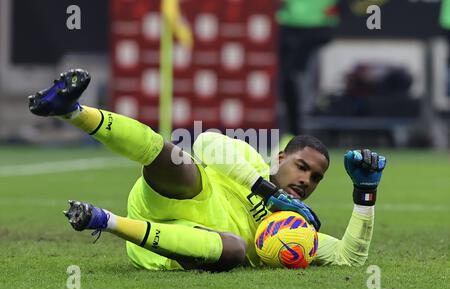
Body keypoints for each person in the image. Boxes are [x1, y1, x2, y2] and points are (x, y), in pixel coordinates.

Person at [28, 69, 386, 272]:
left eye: (316, 178)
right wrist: (267, 191)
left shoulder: (295, 228)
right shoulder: (251, 162)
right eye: (302, 167)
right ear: (279, 159)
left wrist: (365, 194)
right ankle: (71, 111)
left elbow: (348, 258)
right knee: (179, 160)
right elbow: (206, 144)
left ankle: (104, 221)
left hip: (169, 245)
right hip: (171, 197)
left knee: (234, 249)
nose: (306, 180)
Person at [276, 0, 340, 145]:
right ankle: (294, 130)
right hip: (288, 25)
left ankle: (300, 127)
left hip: (318, 26)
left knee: (296, 76)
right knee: (288, 78)